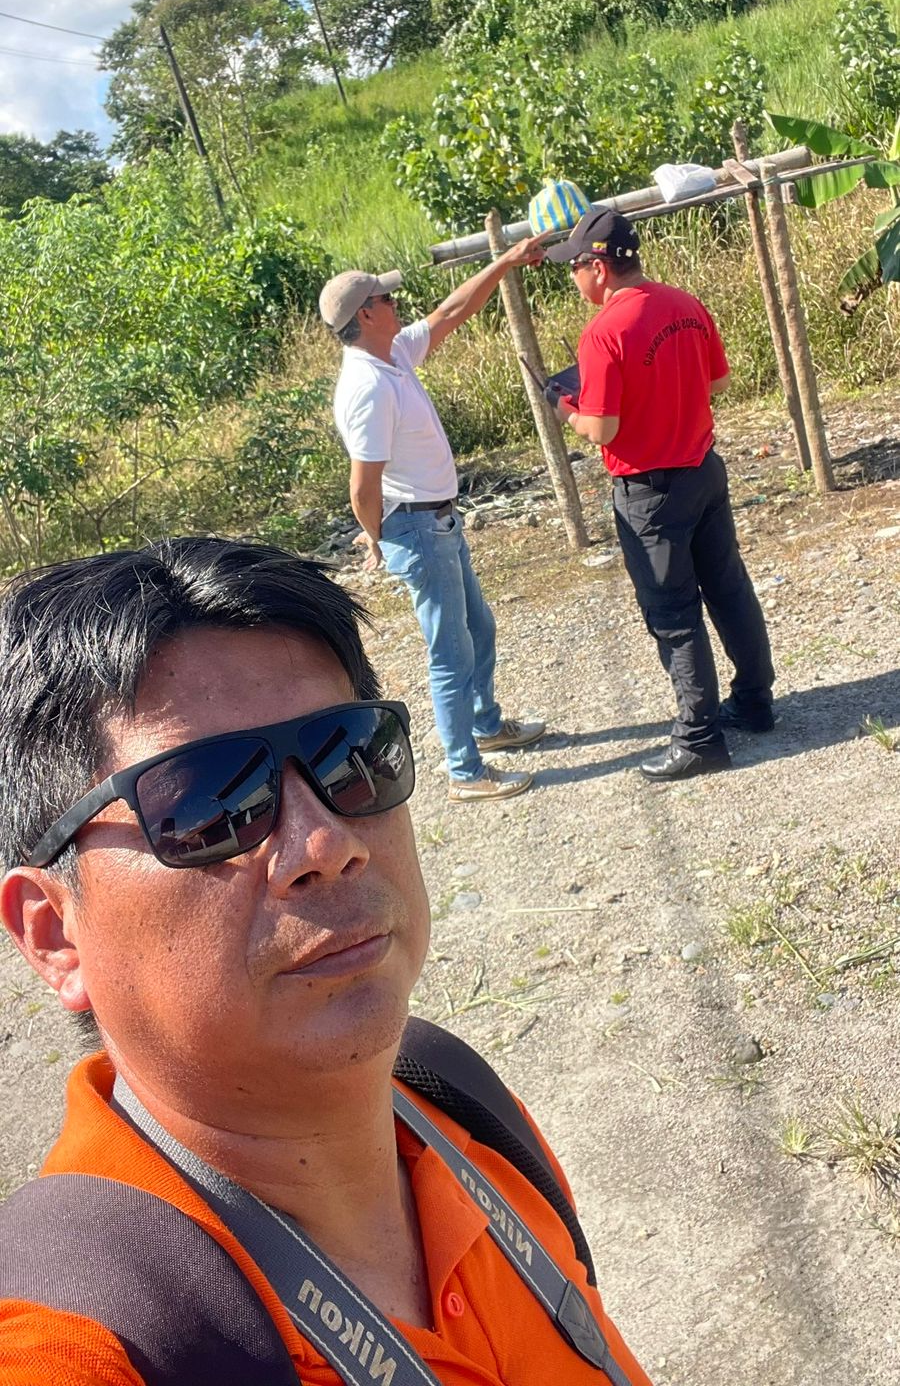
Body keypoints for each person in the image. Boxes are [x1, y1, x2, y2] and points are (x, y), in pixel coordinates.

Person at [0, 537, 651, 1386]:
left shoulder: (457, 1110)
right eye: (211, 801)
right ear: (54, 934)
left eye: (350, 756)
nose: (325, 844)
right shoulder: (85, 1345)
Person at [545, 208, 774, 780]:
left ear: (598, 267)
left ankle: (699, 737)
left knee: (673, 614)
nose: (573, 278)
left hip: (649, 489)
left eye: (574, 267)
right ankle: (755, 700)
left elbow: (602, 429)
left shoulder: (603, 331)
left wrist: (565, 407)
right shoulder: (685, 304)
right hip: (703, 469)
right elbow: (718, 381)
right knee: (728, 588)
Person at [320, 247, 547, 804]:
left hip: (438, 521)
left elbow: (450, 312)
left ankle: (485, 726)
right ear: (365, 314)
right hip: (418, 529)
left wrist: (505, 262)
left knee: (479, 629)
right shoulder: (369, 387)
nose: (396, 303)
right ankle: (465, 771)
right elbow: (362, 485)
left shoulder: (392, 353)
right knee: (451, 652)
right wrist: (376, 537)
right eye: (386, 298)